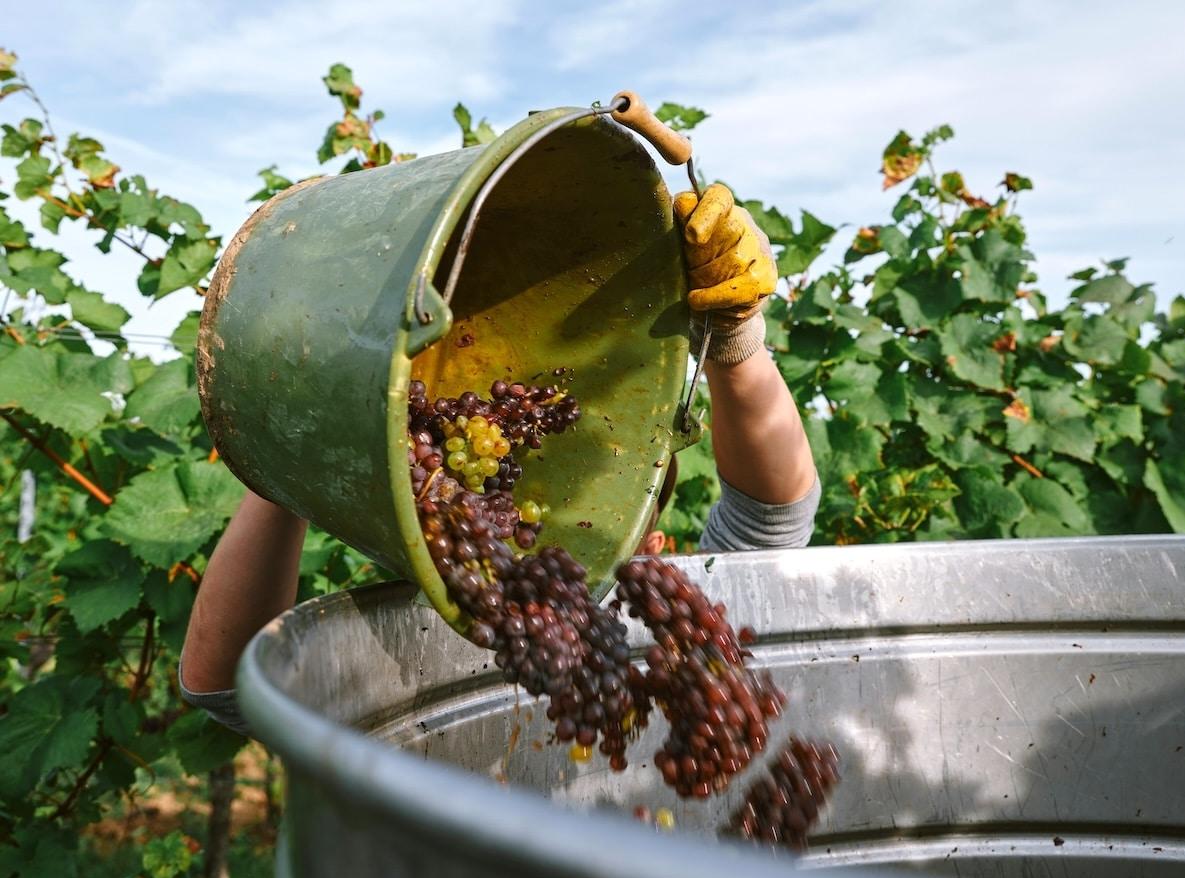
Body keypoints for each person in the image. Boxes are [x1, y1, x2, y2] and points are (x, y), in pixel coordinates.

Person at [180, 185, 820, 734]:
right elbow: (233, 689)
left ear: (653, 541)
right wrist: (288, 458)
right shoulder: (436, 630)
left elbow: (774, 517)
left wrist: (736, 342)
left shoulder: (670, 630)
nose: (530, 529)